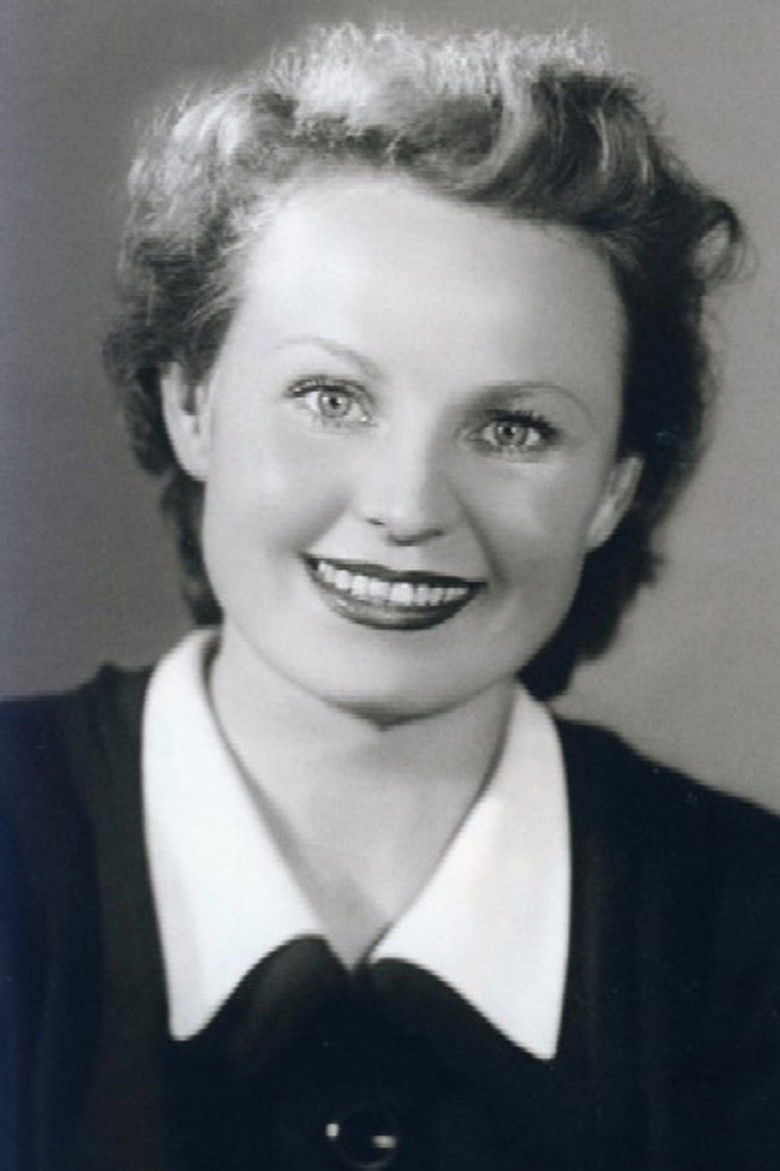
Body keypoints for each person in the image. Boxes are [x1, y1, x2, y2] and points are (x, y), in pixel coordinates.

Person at [2, 22, 778, 1171]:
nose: (408, 504)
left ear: (613, 490)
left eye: (513, 428)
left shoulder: (753, 936)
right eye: (331, 397)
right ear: (191, 403)